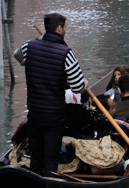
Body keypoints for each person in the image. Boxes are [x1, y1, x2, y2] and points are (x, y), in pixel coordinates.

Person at [14, 12, 87, 177]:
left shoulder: (29, 46)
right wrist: (84, 85)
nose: (65, 31)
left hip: (34, 114)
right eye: (65, 28)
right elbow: (77, 88)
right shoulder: (66, 53)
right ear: (59, 28)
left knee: (36, 158)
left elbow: (17, 56)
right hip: (54, 116)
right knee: (50, 158)